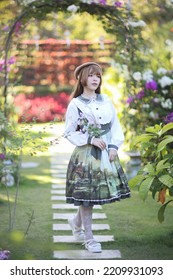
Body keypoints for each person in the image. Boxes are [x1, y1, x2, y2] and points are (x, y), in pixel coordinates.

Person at [64, 62, 130, 253]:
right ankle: (90, 239)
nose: (95, 79)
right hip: (86, 155)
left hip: (106, 155)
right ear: (82, 78)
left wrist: (113, 146)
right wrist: (91, 138)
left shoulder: (105, 100)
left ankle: (75, 223)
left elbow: (115, 126)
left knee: (91, 196)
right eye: (92, 75)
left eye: (98, 76)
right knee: (87, 196)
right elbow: (69, 132)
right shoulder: (75, 104)